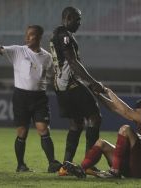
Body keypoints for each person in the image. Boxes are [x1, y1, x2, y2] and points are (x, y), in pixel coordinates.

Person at [0, 25, 62, 172]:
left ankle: (52, 163)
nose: (27, 37)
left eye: (31, 35)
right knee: (22, 132)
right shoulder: (18, 50)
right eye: (26, 34)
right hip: (21, 97)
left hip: (39, 98)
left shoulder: (47, 57)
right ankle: (21, 165)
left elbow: (52, 77)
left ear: (38, 37)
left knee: (43, 129)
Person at [49, 6, 104, 175]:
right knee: (95, 117)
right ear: (68, 18)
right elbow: (72, 62)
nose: (80, 23)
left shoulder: (57, 34)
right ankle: (89, 163)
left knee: (77, 123)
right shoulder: (64, 35)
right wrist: (93, 82)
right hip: (70, 84)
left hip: (60, 86)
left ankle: (66, 165)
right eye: (77, 19)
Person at [74, 88, 141, 178]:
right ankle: (80, 169)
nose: (137, 116)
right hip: (132, 167)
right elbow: (115, 108)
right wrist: (98, 95)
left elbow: (127, 111)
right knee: (101, 143)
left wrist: (107, 91)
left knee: (126, 129)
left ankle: (114, 172)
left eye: (140, 114)